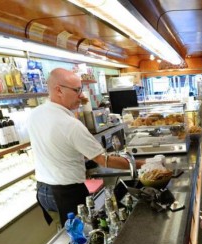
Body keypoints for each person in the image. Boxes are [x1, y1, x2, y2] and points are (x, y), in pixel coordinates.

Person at [27, 68, 143, 226]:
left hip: (43, 191)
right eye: (77, 90)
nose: (81, 96)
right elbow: (105, 160)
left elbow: (55, 144)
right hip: (66, 191)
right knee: (85, 232)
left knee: (67, 234)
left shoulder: (35, 114)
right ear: (59, 90)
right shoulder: (70, 124)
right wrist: (141, 165)